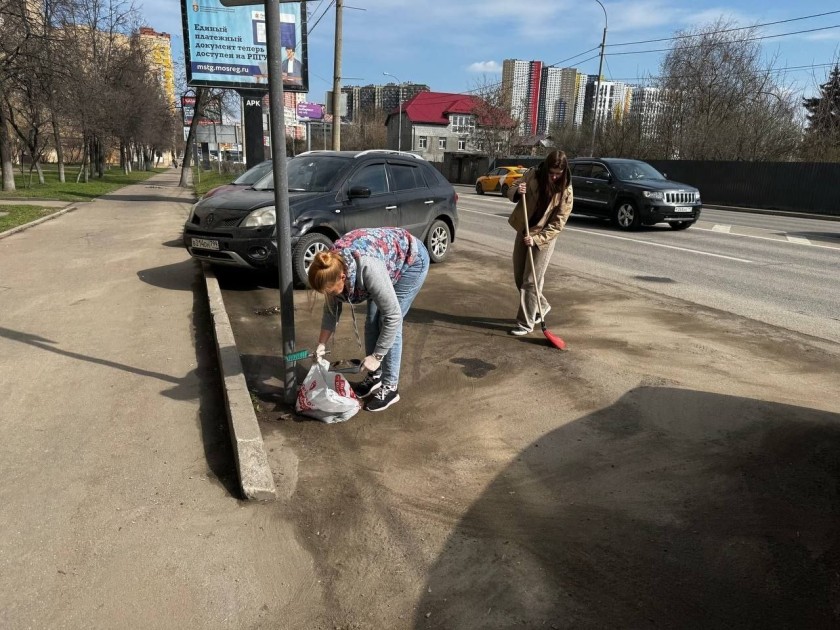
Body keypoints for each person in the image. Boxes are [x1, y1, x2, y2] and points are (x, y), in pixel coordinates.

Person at [309, 227, 430, 412]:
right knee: (371, 319)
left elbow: (393, 317)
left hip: (410, 261)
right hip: (385, 260)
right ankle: (375, 375)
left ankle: (390, 387)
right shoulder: (331, 266)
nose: (329, 295)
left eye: (331, 291)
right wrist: (321, 344)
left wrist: (377, 356)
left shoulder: (367, 268)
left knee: (386, 321)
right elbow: (330, 311)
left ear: (343, 277)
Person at [506, 150, 573, 336]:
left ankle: (525, 323)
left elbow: (558, 223)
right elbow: (511, 188)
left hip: (544, 238)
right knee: (519, 276)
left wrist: (536, 239)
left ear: (564, 172)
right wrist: (517, 191)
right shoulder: (532, 175)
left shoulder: (566, 190)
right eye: (551, 172)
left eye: (558, 174)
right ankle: (541, 305)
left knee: (530, 280)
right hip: (524, 228)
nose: (554, 176)